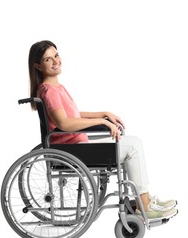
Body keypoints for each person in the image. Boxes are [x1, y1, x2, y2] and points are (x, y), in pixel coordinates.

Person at [28, 40, 178, 220]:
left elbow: (74, 114)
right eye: (47, 59)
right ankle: (144, 203)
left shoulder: (55, 88)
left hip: (76, 145)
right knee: (133, 146)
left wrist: (104, 114)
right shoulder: (49, 90)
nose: (55, 61)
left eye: (56, 55)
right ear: (37, 65)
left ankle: (144, 200)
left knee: (132, 143)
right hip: (72, 150)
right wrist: (102, 122)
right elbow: (66, 124)